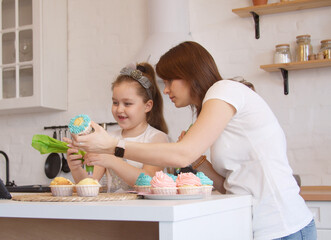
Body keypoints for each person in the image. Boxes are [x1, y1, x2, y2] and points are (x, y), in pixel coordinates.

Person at [69, 41, 316, 239]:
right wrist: (200, 162)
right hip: (257, 226)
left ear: (189, 75)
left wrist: (113, 148)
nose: (165, 90)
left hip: (284, 226)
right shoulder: (214, 105)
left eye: (169, 81)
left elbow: (181, 154)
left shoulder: (225, 90)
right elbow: (227, 186)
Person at [66, 62, 169, 193]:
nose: (119, 109)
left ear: (147, 106)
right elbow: (90, 182)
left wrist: (112, 161)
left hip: (145, 211)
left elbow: (149, 181)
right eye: (115, 102)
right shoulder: (109, 137)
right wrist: (75, 168)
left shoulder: (157, 138)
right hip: (113, 210)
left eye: (127, 103)